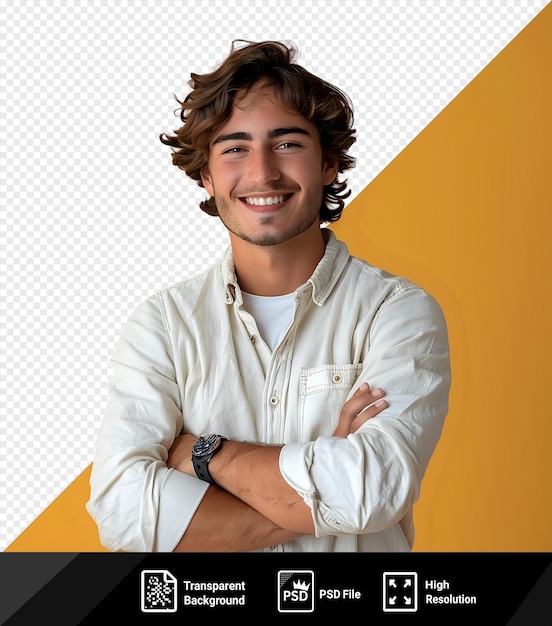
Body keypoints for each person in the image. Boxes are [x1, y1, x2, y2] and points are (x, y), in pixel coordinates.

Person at [86, 40, 451, 553]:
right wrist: (326, 489)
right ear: (207, 177)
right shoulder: (162, 327)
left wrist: (203, 455)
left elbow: (373, 489)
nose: (262, 173)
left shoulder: (396, 312)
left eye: (287, 143)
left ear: (328, 164)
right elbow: (124, 515)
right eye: (235, 147)